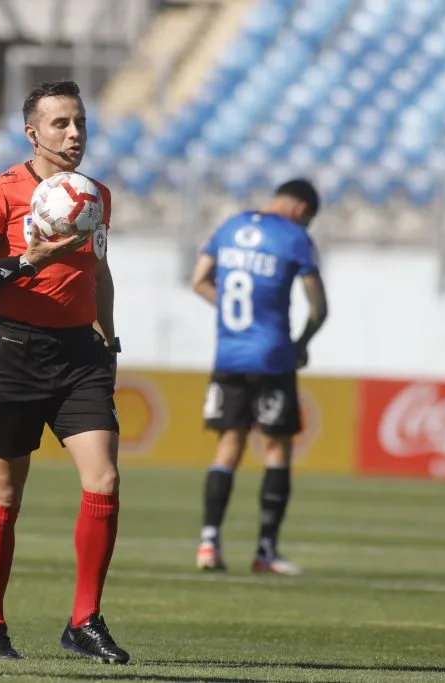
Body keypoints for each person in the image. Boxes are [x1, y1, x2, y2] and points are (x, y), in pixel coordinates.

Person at [0, 80, 128, 664]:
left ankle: (84, 620)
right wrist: (28, 260)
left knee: (103, 480)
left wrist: (108, 334)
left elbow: (98, 271)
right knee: (5, 490)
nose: (74, 134)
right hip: (14, 350)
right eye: (61, 124)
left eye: (80, 122)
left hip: (81, 356)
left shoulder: (95, 195)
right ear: (33, 133)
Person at [189, 179, 329, 576]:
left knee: (228, 445)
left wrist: (234, 314)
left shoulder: (229, 227)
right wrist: (301, 343)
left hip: (228, 355)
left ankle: (208, 542)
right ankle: (265, 550)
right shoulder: (295, 236)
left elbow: (198, 279)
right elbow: (319, 308)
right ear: (303, 210)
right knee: (276, 449)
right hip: (272, 356)